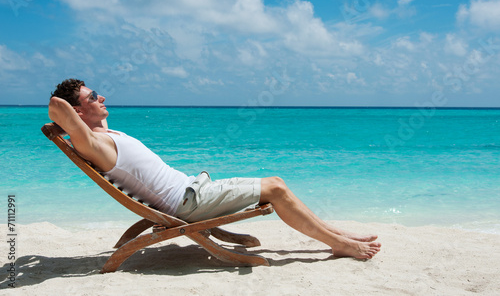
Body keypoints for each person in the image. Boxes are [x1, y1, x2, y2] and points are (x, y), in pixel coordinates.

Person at [48, 78, 381, 259]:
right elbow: (57, 108)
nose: (102, 97)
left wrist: (87, 103)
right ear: (78, 111)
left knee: (277, 181)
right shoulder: (95, 144)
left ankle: (337, 235)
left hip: (192, 192)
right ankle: (338, 244)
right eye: (93, 96)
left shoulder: (106, 133)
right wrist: (70, 107)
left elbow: (75, 112)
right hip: (187, 203)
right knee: (276, 189)